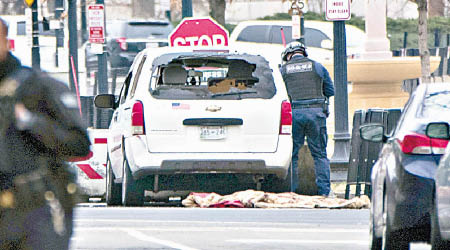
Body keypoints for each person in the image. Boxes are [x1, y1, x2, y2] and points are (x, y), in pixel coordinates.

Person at [0, 17, 91, 249]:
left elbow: (78, 144)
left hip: (32, 211)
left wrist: (30, 121)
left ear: (6, 42)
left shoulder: (37, 87)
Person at [280, 41, 335, 197]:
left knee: (292, 154)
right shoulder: (317, 67)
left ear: (288, 55)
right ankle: (324, 192)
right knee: (320, 154)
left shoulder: (283, 70)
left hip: (294, 115)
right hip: (316, 114)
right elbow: (330, 91)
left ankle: (292, 192)